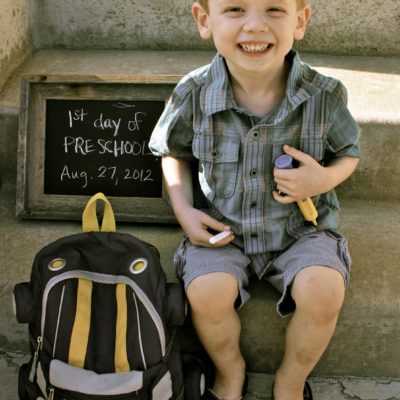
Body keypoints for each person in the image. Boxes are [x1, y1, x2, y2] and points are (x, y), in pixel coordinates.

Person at [149, 0, 360, 399]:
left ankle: (291, 381)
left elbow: (349, 151)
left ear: (300, 21)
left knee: (324, 291)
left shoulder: (325, 95)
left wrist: (323, 179)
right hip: (223, 228)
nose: (255, 25)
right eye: (234, 9)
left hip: (302, 230)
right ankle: (231, 372)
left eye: (274, 10)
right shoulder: (193, 93)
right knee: (206, 292)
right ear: (203, 20)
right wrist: (184, 209)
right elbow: (171, 150)